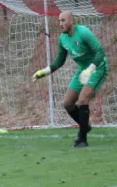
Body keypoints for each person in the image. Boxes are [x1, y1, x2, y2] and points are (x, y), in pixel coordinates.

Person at [32, 11, 108, 147]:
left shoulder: (83, 32)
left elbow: (100, 52)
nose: (60, 24)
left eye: (63, 20)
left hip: (97, 68)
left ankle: (82, 139)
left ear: (71, 21)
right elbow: (59, 62)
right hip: (82, 70)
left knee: (83, 100)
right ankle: (85, 126)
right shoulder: (63, 39)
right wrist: (43, 72)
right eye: (59, 21)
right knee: (67, 104)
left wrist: (90, 70)